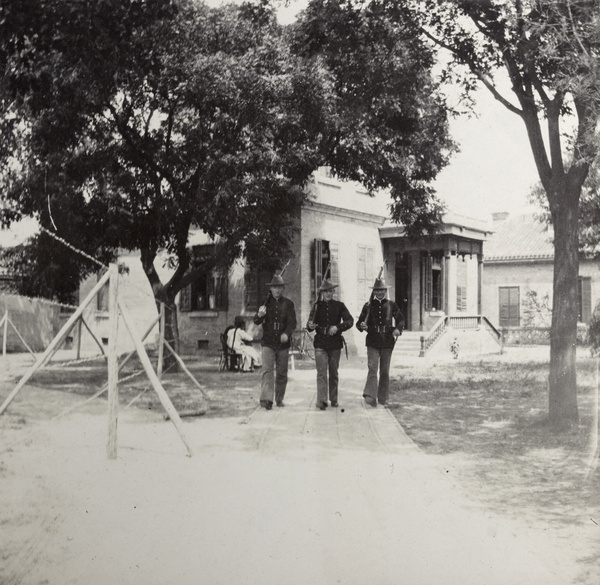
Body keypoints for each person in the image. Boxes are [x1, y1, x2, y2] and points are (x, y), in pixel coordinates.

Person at [356, 277, 404, 407]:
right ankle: (371, 396)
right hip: (372, 340)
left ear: (385, 291)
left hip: (387, 341)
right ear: (374, 292)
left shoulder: (391, 305)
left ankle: (383, 398)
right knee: (372, 368)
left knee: (384, 371)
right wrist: (362, 325)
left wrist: (398, 329)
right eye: (377, 290)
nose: (379, 293)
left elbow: (401, 319)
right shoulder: (368, 306)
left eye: (382, 290)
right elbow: (358, 324)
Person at [306, 279, 353, 410]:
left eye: (330, 291)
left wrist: (338, 327)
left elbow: (350, 321)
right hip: (320, 342)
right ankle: (321, 400)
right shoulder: (316, 306)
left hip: (335, 344)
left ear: (333, 292)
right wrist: (310, 325)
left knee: (333, 372)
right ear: (322, 292)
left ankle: (334, 399)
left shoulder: (340, 306)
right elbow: (309, 325)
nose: (328, 294)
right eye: (325, 291)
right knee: (321, 373)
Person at [253, 273, 297, 409]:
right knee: (267, 371)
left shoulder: (288, 304)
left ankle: (279, 399)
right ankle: (266, 400)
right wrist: (259, 315)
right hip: (268, 341)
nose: (277, 290)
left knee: (282, 372)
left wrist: (287, 333)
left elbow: (292, 323)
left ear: (283, 289)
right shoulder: (265, 303)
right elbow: (256, 320)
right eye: (275, 287)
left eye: (280, 287)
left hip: (283, 343)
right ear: (271, 289)